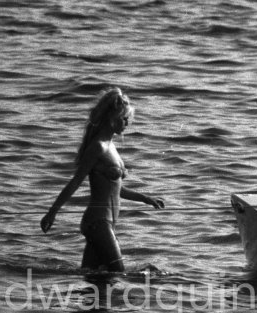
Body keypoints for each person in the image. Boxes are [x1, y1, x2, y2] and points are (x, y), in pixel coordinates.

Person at [40, 87, 164, 272]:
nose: (127, 124)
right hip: (98, 223)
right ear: (111, 118)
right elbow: (75, 182)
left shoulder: (111, 146)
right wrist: (52, 212)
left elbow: (115, 189)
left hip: (105, 224)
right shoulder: (97, 147)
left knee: (94, 279)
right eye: (124, 119)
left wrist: (146, 199)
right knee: (119, 273)